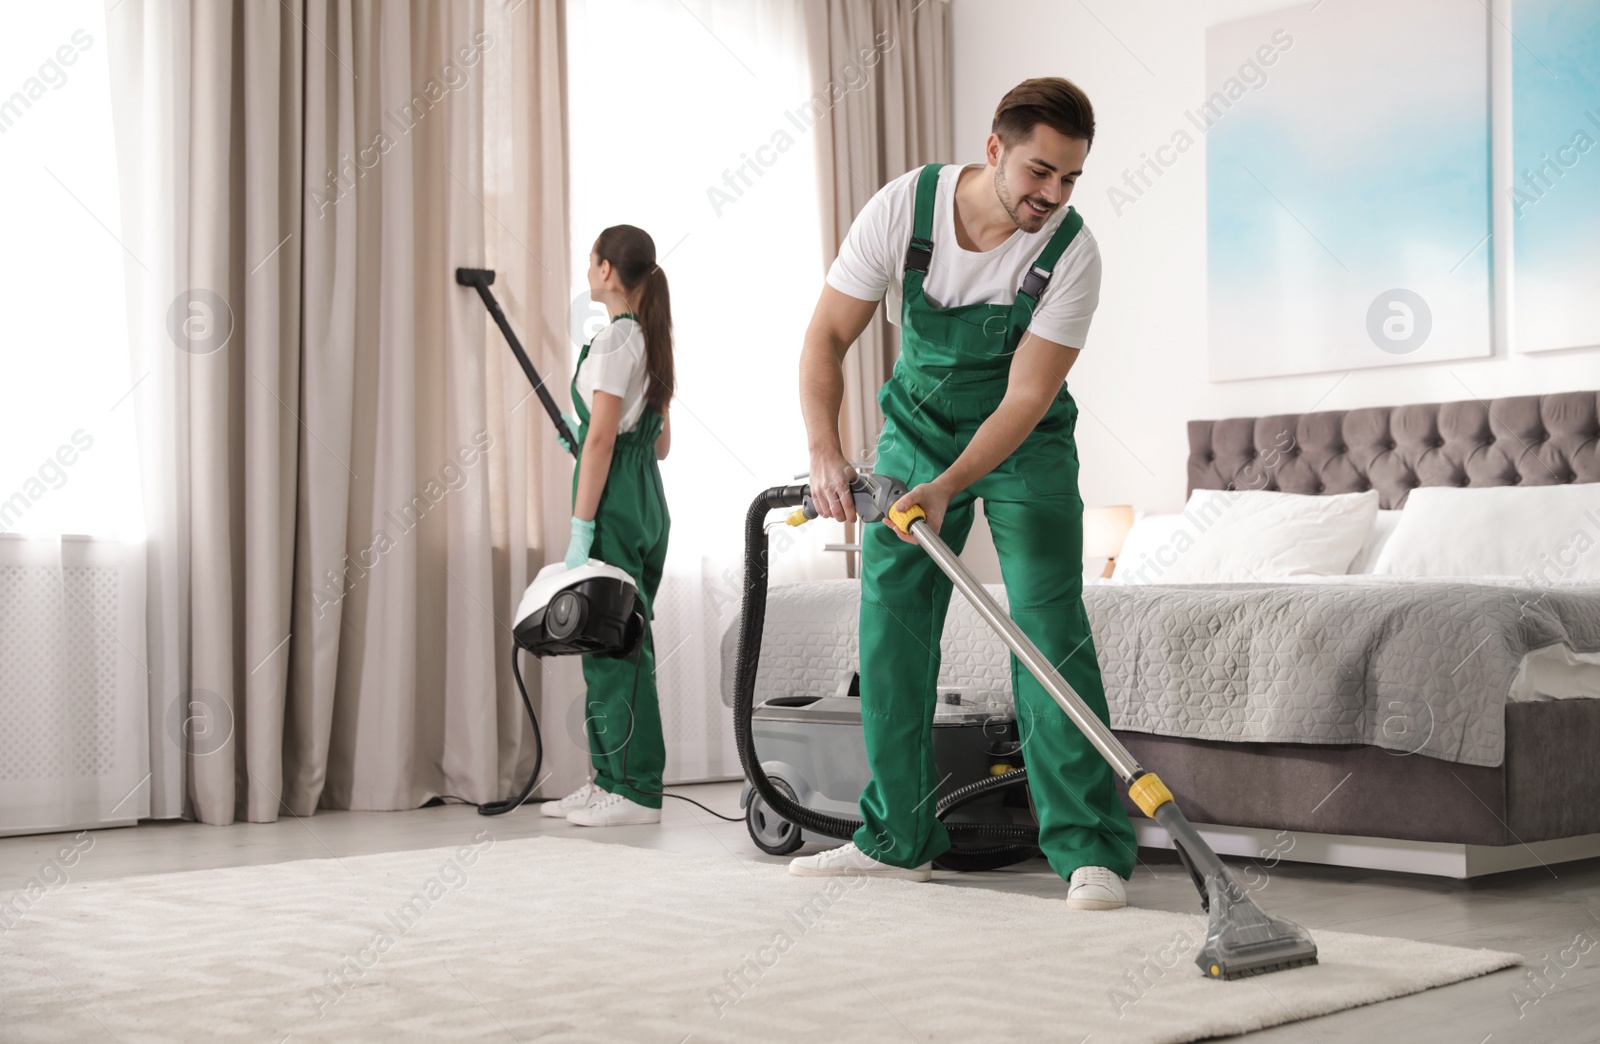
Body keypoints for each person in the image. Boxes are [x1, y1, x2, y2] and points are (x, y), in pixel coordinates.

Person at [789, 78, 1137, 909]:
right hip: (914, 428)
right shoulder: (904, 210)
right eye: (1039, 173)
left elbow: (1024, 398)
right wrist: (826, 453)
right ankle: (897, 839)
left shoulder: (1072, 254)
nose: (1051, 196)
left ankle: (1087, 851)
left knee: (1048, 627)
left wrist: (947, 488)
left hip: (1026, 448)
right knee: (892, 630)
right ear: (994, 150)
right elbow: (827, 337)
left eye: (1069, 180)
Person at [540, 225, 675, 828]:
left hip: (616, 499)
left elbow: (600, 440)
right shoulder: (650, 340)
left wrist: (580, 527)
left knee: (615, 645)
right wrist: (601, 439)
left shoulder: (615, 343)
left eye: (590, 260)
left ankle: (637, 791)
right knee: (611, 640)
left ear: (604, 270)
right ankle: (609, 781)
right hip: (644, 491)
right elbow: (661, 443)